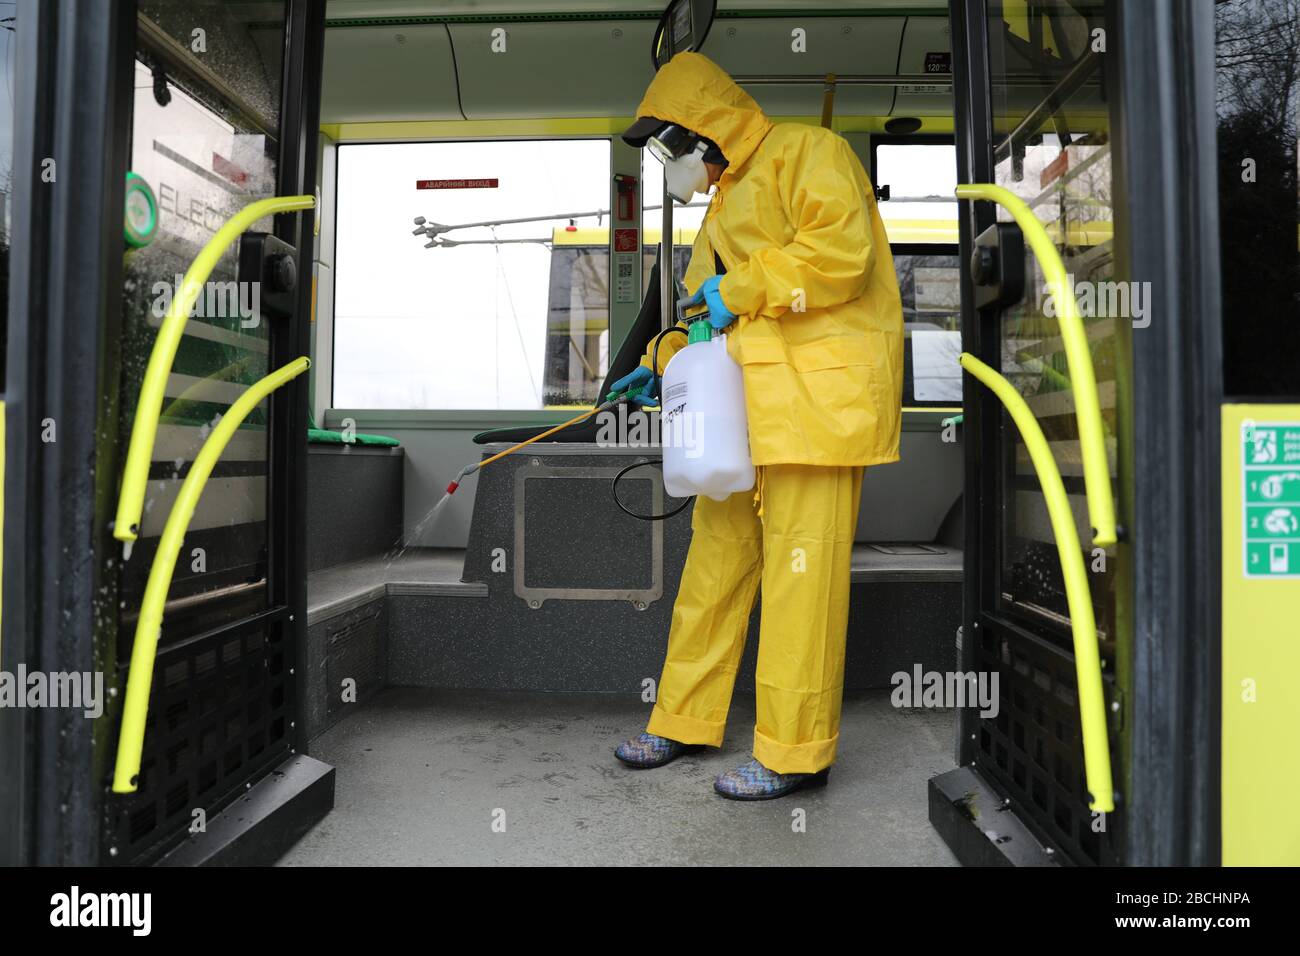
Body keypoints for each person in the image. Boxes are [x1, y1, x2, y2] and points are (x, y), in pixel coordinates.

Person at [610, 52, 904, 800]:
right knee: (714, 570)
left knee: (802, 584)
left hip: (815, 411)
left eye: (670, 146)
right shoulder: (718, 209)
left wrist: (735, 289)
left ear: (703, 134)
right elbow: (703, 311)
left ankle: (795, 753)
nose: (670, 164)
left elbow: (839, 256)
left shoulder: (811, 152)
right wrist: (663, 358)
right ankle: (681, 719)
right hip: (741, 419)